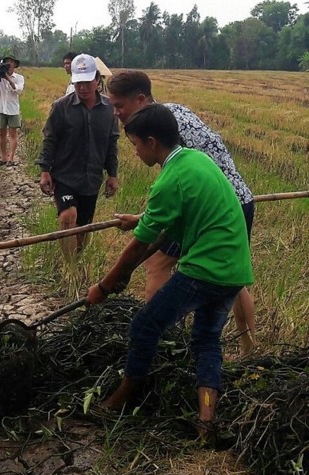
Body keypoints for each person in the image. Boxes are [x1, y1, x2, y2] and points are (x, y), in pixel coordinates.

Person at [86, 104, 253, 438]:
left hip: (204, 270)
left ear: (151, 142)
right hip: (235, 270)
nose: (134, 152)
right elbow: (166, 227)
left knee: (144, 327)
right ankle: (206, 421)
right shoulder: (196, 160)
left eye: (134, 145)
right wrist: (141, 221)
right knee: (207, 341)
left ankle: (121, 398)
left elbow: (138, 247)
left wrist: (104, 287)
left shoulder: (168, 180)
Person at [106, 70, 257, 356]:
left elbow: (180, 190)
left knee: (156, 265)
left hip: (217, 210)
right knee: (231, 279)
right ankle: (249, 350)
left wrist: (144, 226)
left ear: (140, 100)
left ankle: (161, 343)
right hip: (238, 201)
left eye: (119, 106)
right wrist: (143, 217)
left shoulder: (163, 125)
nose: (117, 113)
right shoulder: (174, 113)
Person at [37, 53, 119, 259]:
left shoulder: (109, 109)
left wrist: (112, 174)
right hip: (64, 175)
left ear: (97, 81)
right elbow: (50, 139)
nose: (82, 87)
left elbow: (111, 144)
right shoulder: (61, 107)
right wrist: (45, 171)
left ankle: (78, 260)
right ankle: (69, 266)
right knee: (68, 215)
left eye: (87, 82)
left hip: (92, 178)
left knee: (84, 227)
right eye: (78, 83)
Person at [0, 55, 24, 166]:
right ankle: (3, 158)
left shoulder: (19, 78)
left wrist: (8, 79)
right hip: (1, 108)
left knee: (13, 134)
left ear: (14, 64)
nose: (9, 64)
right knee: (1, 134)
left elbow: (18, 90)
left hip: (13, 109)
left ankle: (11, 158)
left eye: (11, 62)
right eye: (7, 62)